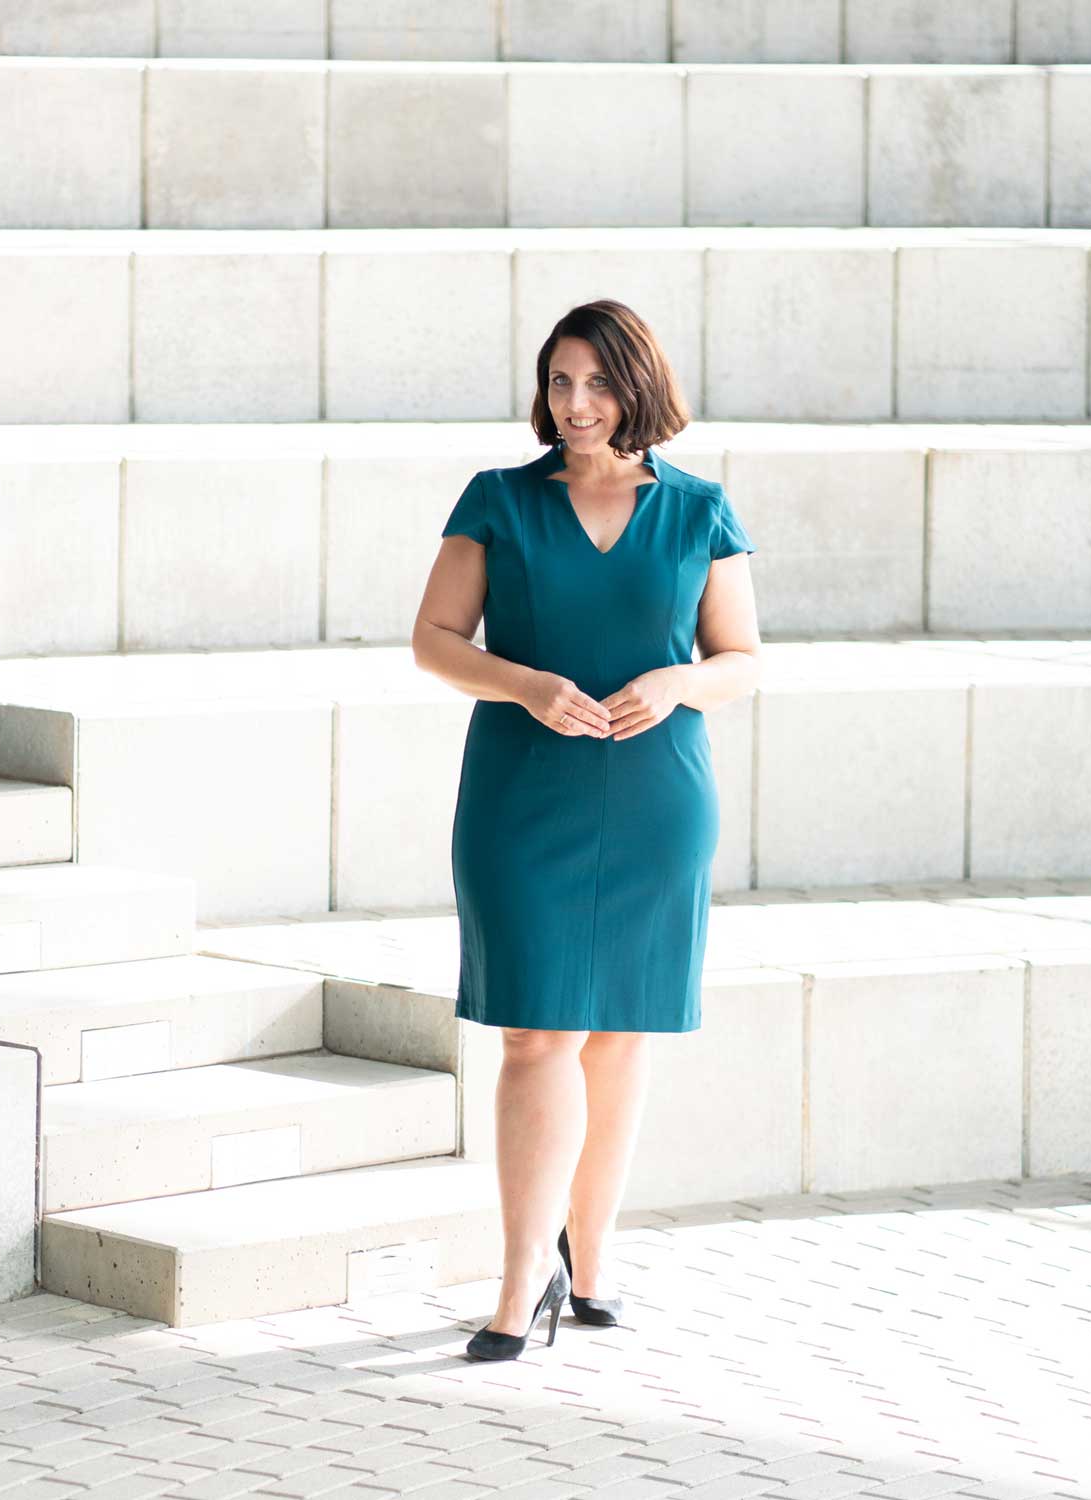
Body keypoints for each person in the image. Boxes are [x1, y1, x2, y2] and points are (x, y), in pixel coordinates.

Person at [411, 299, 763, 1362]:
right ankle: (520, 1279)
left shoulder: (699, 510)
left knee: (618, 1031)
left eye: (596, 384)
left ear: (637, 386)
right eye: (558, 382)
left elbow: (740, 659)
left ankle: (592, 1257)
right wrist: (524, 686)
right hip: (523, 795)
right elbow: (432, 640)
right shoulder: (497, 501)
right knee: (534, 1033)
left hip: (655, 792)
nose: (573, 404)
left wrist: (677, 683)